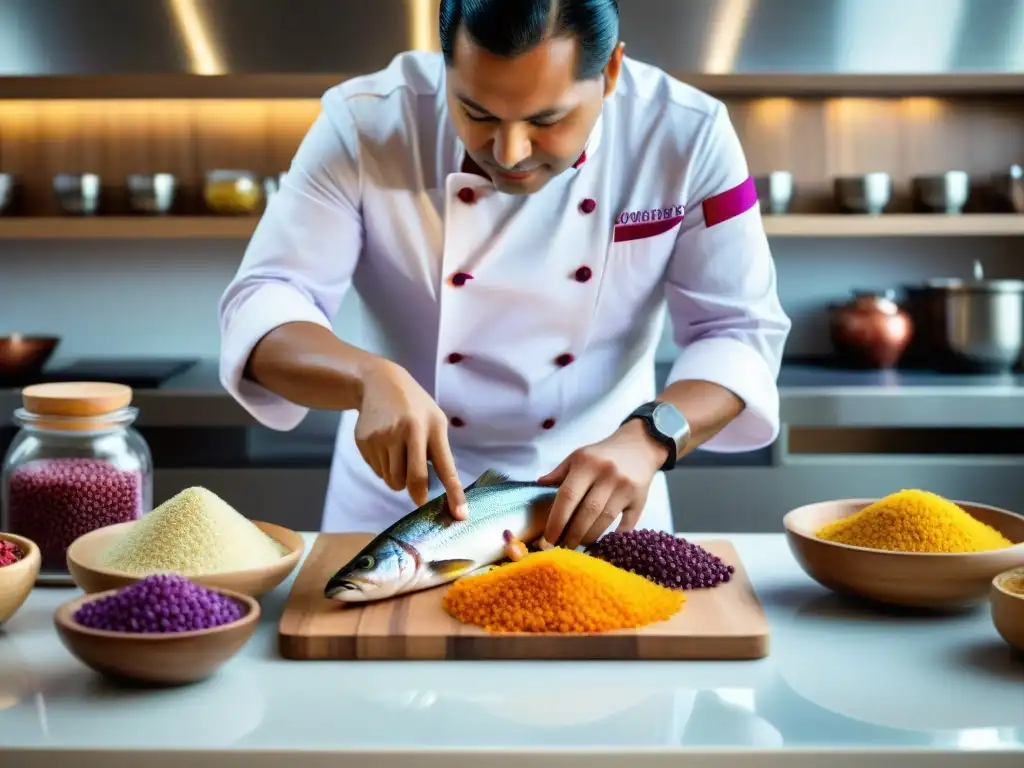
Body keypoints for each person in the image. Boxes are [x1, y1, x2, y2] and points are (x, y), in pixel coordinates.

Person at [218, 0, 791, 548]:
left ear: (611, 70)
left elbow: (738, 331)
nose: (510, 151)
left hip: (596, 500)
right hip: (398, 509)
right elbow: (266, 300)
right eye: (476, 112)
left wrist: (651, 436)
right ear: (445, 66)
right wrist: (364, 377)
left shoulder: (686, 134)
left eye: (548, 119)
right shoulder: (364, 122)